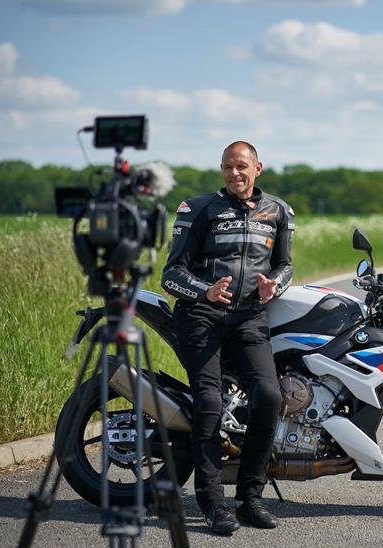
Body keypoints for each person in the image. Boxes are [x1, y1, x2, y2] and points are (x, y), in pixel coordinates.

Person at [161, 141, 294, 535]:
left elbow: (285, 265)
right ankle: (214, 504)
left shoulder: (279, 211)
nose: (234, 174)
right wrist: (204, 291)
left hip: (249, 318)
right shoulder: (199, 208)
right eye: (227, 168)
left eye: (241, 167)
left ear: (258, 168)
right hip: (201, 316)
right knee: (208, 401)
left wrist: (275, 287)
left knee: (269, 396)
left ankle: (250, 499)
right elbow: (170, 274)